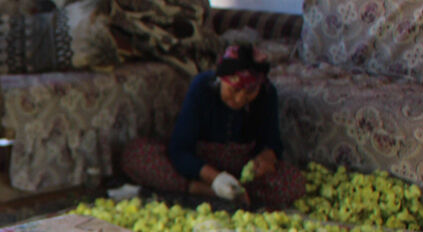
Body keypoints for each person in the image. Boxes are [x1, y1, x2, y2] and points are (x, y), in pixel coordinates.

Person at [120, 42, 305, 208]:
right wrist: (215, 179)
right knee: (135, 154)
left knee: (293, 182)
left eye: (249, 93)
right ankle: (203, 191)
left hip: (242, 166)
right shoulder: (202, 87)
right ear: (221, 80)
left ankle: (234, 193)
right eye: (234, 90)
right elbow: (179, 149)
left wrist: (266, 158)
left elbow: (271, 142)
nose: (240, 99)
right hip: (200, 165)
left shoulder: (267, 94)